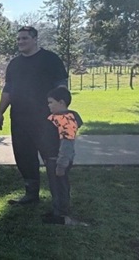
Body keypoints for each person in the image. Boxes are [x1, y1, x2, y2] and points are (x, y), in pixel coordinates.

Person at [0, 26, 69, 205]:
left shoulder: (51, 59)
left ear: (35, 39)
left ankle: (59, 199)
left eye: (24, 38)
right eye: (18, 39)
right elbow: (8, 90)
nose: (20, 42)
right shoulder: (14, 64)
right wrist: (0, 112)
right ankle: (31, 194)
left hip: (46, 119)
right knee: (24, 157)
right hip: (20, 119)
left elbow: (62, 86)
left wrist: (62, 109)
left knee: (51, 157)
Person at [43, 87, 84, 225]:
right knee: (55, 186)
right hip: (52, 159)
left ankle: (61, 214)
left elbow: (67, 144)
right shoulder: (57, 118)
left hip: (58, 161)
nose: (48, 105)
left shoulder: (66, 120)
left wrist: (61, 164)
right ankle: (57, 209)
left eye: (51, 102)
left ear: (61, 102)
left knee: (60, 186)